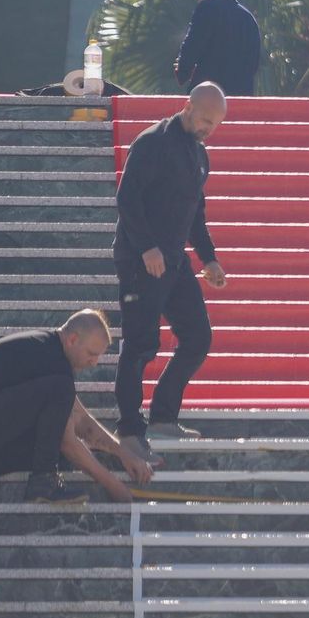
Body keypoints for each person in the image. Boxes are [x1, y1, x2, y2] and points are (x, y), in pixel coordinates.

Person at [113, 81, 229, 468]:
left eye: (214, 124)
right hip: (140, 259)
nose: (207, 129)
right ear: (188, 107)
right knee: (140, 345)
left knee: (198, 336)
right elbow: (126, 198)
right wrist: (146, 247)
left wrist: (209, 259)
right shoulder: (153, 142)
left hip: (174, 261)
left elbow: (195, 213)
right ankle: (129, 431)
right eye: (204, 120)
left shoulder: (199, 154)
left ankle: (163, 416)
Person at [0, 309, 155, 505]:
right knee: (60, 404)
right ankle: (44, 482)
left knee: (56, 451)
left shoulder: (51, 353)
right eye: (92, 354)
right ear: (72, 339)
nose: (95, 363)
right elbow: (68, 441)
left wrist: (123, 453)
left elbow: (81, 420)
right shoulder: (52, 362)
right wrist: (114, 486)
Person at [174, 0, 262, 96]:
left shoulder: (207, 8)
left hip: (210, 95)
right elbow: (254, 59)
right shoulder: (248, 17)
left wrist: (183, 71)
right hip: (242, 93)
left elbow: (193, 44)